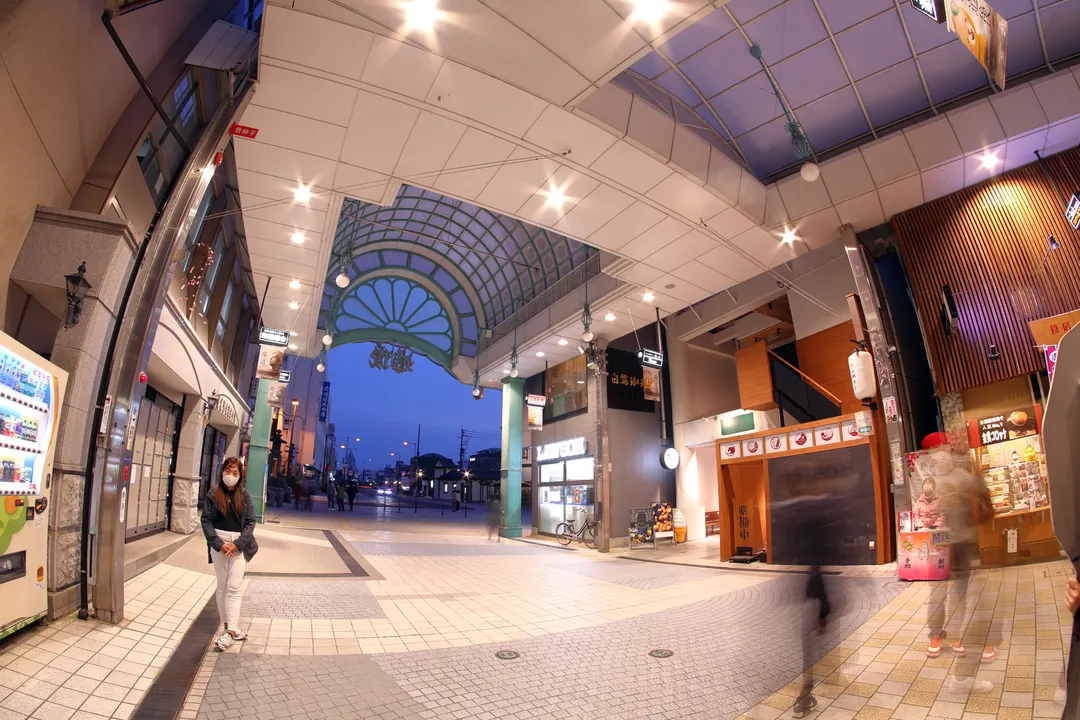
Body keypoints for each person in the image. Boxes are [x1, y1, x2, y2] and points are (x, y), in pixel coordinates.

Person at [920, 433, 997, 686]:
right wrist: (974, 468)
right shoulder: (961, 477)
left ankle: (934, 639)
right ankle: (959, 639)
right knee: (960, 590)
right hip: (961, 540)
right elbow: (982, 489)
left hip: (937, 541)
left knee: (937, 590)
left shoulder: (922, 480)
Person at [200, 457, 258, 651]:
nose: (231, 476)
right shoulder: (213, 494)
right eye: (228, 471)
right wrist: (217, 543)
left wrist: (238, 544)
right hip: (219, 542)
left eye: (235, 473)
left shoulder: (245, 496)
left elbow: (250, 522)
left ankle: (231, 631)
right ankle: (228, 628)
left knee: (234, 587)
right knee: (222, 587)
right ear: (222, 471)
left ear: (240, 476)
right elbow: (206, 520)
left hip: (238, 545)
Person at [793, 563, 831, 718]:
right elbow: (816, 580)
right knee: (810, 656)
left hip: (799, 606)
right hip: (809, 605)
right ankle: (802, 701)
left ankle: (805, 697)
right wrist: (823, 613)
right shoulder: (815, 554)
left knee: (809, 655)